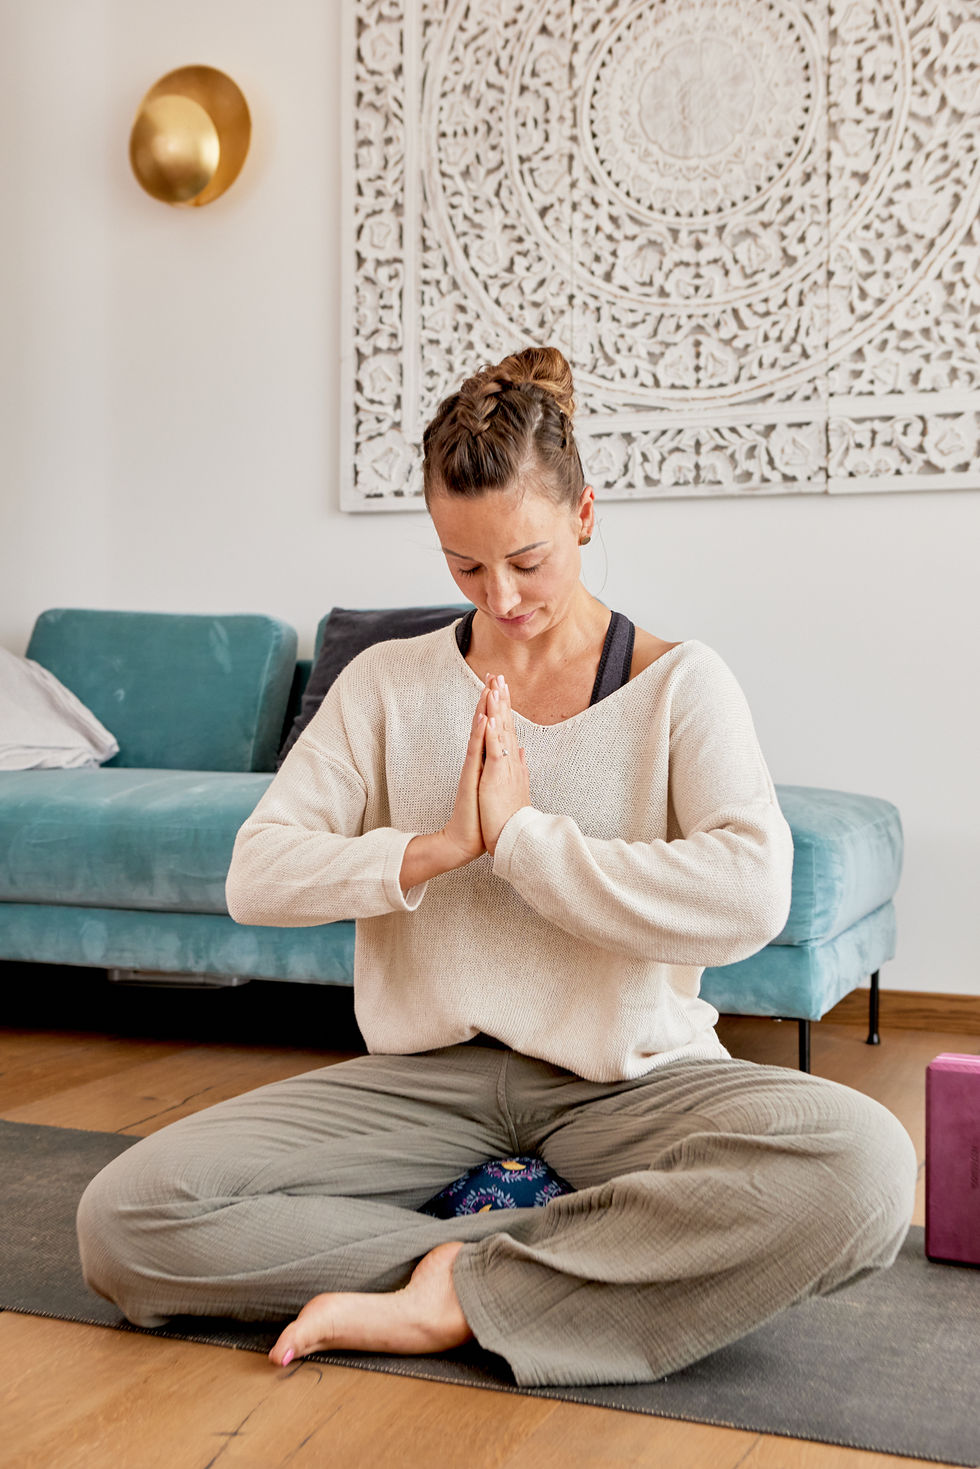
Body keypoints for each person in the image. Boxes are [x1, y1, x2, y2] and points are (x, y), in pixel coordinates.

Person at [77, 347, 916, 1388]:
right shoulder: (386, 683)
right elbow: (258, 873)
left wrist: (521, 842)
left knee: (865, 1168)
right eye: (465, 567)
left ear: (584, 515)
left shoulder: (680, 684)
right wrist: (437, 849)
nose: (502, 595)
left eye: (526, 559)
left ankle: (461, 1285)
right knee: (127, 1219)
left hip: (626, 1082)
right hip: (425, 1084)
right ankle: (528, 1259)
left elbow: (750, 895)